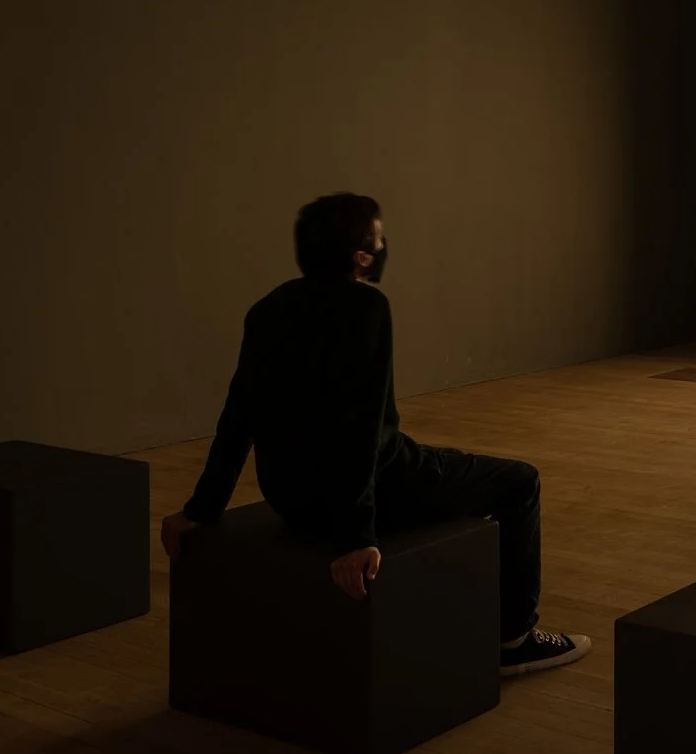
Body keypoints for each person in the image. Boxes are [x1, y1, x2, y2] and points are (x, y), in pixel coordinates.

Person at [159, 192, 589, 676]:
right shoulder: (365, 307)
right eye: (380, 241)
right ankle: (515, 639)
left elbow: (238, 416)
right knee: (521, 482)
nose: (384, 249)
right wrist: (356, 537)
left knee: (437, 459)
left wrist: (201, 508)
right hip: (383, 490)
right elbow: (358, 427)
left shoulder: (268, 309)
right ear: (361, 256)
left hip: (292, 499)